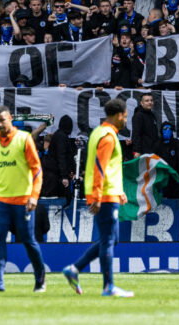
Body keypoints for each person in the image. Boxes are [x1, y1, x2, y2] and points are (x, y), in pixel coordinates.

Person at [62, 98, 134, 298]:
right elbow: (99, 167)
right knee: (109, 240)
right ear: (119, 115)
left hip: (109, 192)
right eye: (126, 116)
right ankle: (108, 286)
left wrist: (119, 190)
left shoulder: (98, 133)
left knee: (111, 239)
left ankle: (75, 269)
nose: (126, 120)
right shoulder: (108, 137)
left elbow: (107, 167)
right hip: (104, 195)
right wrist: (97, 196)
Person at [0, 105, 46, 293]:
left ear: (10, 118)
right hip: (0, 200)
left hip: (23, 200)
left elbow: (37, 170)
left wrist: (34, 196)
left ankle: (40, 279)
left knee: (29, 241)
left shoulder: (24, 139)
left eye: (2, 120)